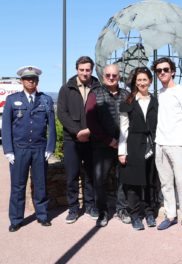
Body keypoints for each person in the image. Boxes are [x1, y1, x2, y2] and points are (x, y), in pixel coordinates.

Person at [2, 66, 56, 232]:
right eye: (27, 79)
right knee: (18, 186)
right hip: (20, 149)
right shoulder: (12, 100)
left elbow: (51, 127)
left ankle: (42, 215)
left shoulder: (46, 100)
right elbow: (6, 128)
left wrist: (50, 147)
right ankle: (16, 219)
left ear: (37, 81)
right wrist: (8, 151)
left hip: (39, 149)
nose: (30, 81)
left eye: (33, 78)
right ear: (22, 81)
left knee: (40, 185)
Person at [152, 57, 182, 233]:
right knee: (165, 183)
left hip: (177, 144)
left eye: (165, 69)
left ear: (173, 71)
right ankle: (170, 215)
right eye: (158, 70)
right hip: (160, 143)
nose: (162, 72)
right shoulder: (159, 94)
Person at [86, 64, 130, 227]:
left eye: (114, 75)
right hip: (101, 147)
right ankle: (102, 212)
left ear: (119, 76)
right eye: (108, 75)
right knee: (100, 180)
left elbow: (132, 118)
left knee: (123, 180)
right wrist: (109, 140)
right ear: (103, 76)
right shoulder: (94, 94)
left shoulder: (126, 94)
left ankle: (122, 209)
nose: (111, 77)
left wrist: (123, 143)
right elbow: (91, 121)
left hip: (123, 146)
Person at [57, 56, 100, 224]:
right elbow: (62, 113)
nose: (85, 73)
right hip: (71, 141)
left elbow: (102, 113)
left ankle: (90, 206)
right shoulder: (66, 89)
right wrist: (78, 132)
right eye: (82, 69)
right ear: (77, 70)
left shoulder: (98, 87)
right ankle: (73, 208)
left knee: (91, 175)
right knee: (72, 176)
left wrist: (90, 131)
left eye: (88, 70)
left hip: (92, 139)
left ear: (92, 70)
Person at [118, 67, 161, 230]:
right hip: (134, 145)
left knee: (150, 183)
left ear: (150, 81)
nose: (142, 83)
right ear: (135, 82)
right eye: (139, 80)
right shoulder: (127, 102)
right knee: (133, 184)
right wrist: (122, 151)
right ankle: (135, 215)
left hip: (153, 145)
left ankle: (149, 212)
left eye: (145, 79)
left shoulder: (156, 101)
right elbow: (123, 128)